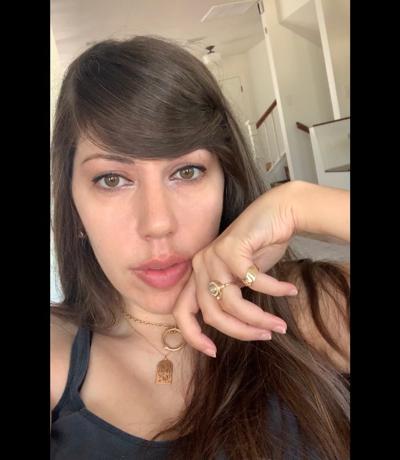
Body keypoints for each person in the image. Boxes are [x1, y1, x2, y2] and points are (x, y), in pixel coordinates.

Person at [50, 35, 350, 460]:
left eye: (187, 171)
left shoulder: (308, 307)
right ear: (74, 206)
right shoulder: (58, 357)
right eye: (112, 179)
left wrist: (301, 204)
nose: (157, 223)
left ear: (226, 181)